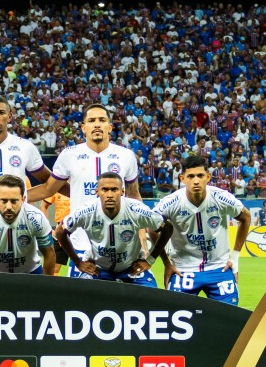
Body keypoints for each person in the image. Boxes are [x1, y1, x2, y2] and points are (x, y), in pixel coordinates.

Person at [28, 104, 143, 271]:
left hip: (120, 245)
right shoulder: (69, 155)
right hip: (80, 244)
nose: (97, 124)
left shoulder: (126, 156)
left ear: (110, 127)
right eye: (91, 120)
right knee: (80, 296)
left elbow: (134, 197)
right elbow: (48, 189)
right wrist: (19, 197)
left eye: (102, 120)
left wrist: (142, 240)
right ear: (83, 128)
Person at [152, 155, 252, 305]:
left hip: (220, 268)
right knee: (178, 321)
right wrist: (166, 263)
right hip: (182, 269)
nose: (196, 181)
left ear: (208, 177)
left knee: (229, 320)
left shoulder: (221, 197)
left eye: (200, 175)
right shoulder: (171, 202)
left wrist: (235, 258)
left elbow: (245, 217)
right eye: (191, 176)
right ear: (182, 178)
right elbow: (151, 227)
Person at [55, 172, 170, 286]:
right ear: (97, 192)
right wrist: (78, 262)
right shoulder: (86, 211)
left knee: (151, 298)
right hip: (98, 269)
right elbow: (60, 232)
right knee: (80, 299)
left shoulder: (137, 210)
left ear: (122, 192)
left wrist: (150, 260)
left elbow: (167, 228)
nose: (109, 194)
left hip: (132, 269)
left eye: (114, 189)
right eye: (105, 189)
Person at [0, 175, 55, 275]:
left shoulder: (37, 218)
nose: (8, 206)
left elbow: (49, 253)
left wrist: (46, 287)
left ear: (23, 199)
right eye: (4, 201)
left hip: (30, 272)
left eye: (14, 201)